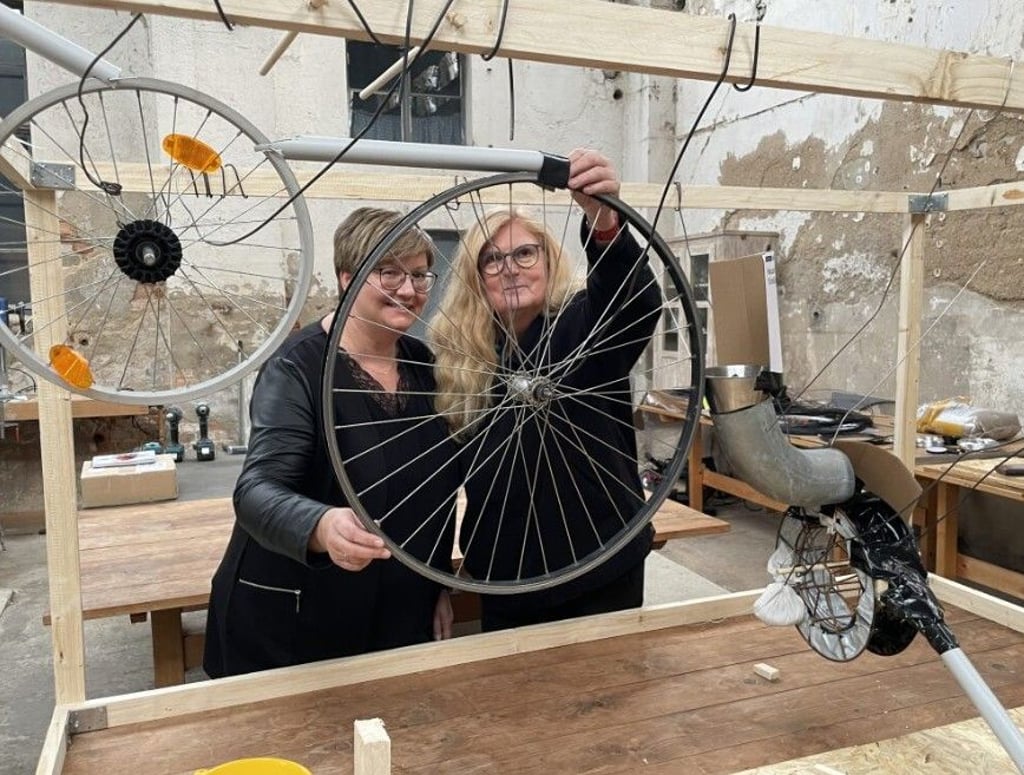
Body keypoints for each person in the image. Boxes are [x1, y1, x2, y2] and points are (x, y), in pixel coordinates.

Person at [204, 207, 461, 677]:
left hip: (396, 614)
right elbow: (256, 490)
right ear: (347, 278)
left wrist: (436, 584)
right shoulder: (297, 369)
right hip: (297, 624)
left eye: (420, 275)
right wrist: (319, 525)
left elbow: (434, 491)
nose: (409, 290)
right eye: (389, 272)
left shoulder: (424, 366)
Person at [428, 149, 662, 631]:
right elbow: (435, 481)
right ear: (475, 278)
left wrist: (603, 221)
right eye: (492, 260)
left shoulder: (582, 322)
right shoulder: (459, 361)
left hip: (601, 558)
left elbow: (632, 302)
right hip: (506, 571)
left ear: (548, 260)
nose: (510, 267)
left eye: (524, 253)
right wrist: (432, 578)